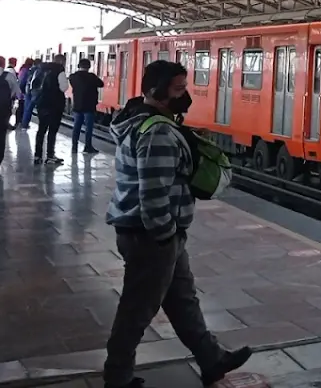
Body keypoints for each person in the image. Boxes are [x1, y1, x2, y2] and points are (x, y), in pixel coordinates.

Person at [103, 60, 251, 388]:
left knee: (183, 299)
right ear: (157, 91)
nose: (186, 95)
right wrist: (166, 236)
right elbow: (154, 194)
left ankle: (212, 360)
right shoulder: (157, 132)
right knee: (137, 310)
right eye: (179, 89)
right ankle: (117, 378)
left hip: (155, 234)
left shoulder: (142, 120)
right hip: (151, 236)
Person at [33, 54, 69, 166]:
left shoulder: (40, 69)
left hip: (41, 103)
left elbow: (33, 85)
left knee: (41, 130)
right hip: (55, 104)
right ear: (62, 62)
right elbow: (64, 87)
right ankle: (50, 156)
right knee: (52, 131)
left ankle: (37, 156)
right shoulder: (60, 71)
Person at [70, 58, 105, 155]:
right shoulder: (92, 77)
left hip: (77, 105)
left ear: (78, 66)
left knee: (76, 127)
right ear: (89, 67)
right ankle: (87, 147)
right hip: (89, 106)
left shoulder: (73, 76)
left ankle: (74, 147)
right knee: (88, 128)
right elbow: (101, 84)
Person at [18, 58, 42, 130]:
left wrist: (22, 90)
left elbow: (23, 81)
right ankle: (41, 126)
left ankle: (24, 125)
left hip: (27, 90)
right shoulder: (41, 71)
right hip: (36, 91)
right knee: (40, 109)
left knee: (27, 109)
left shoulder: (29, 70)